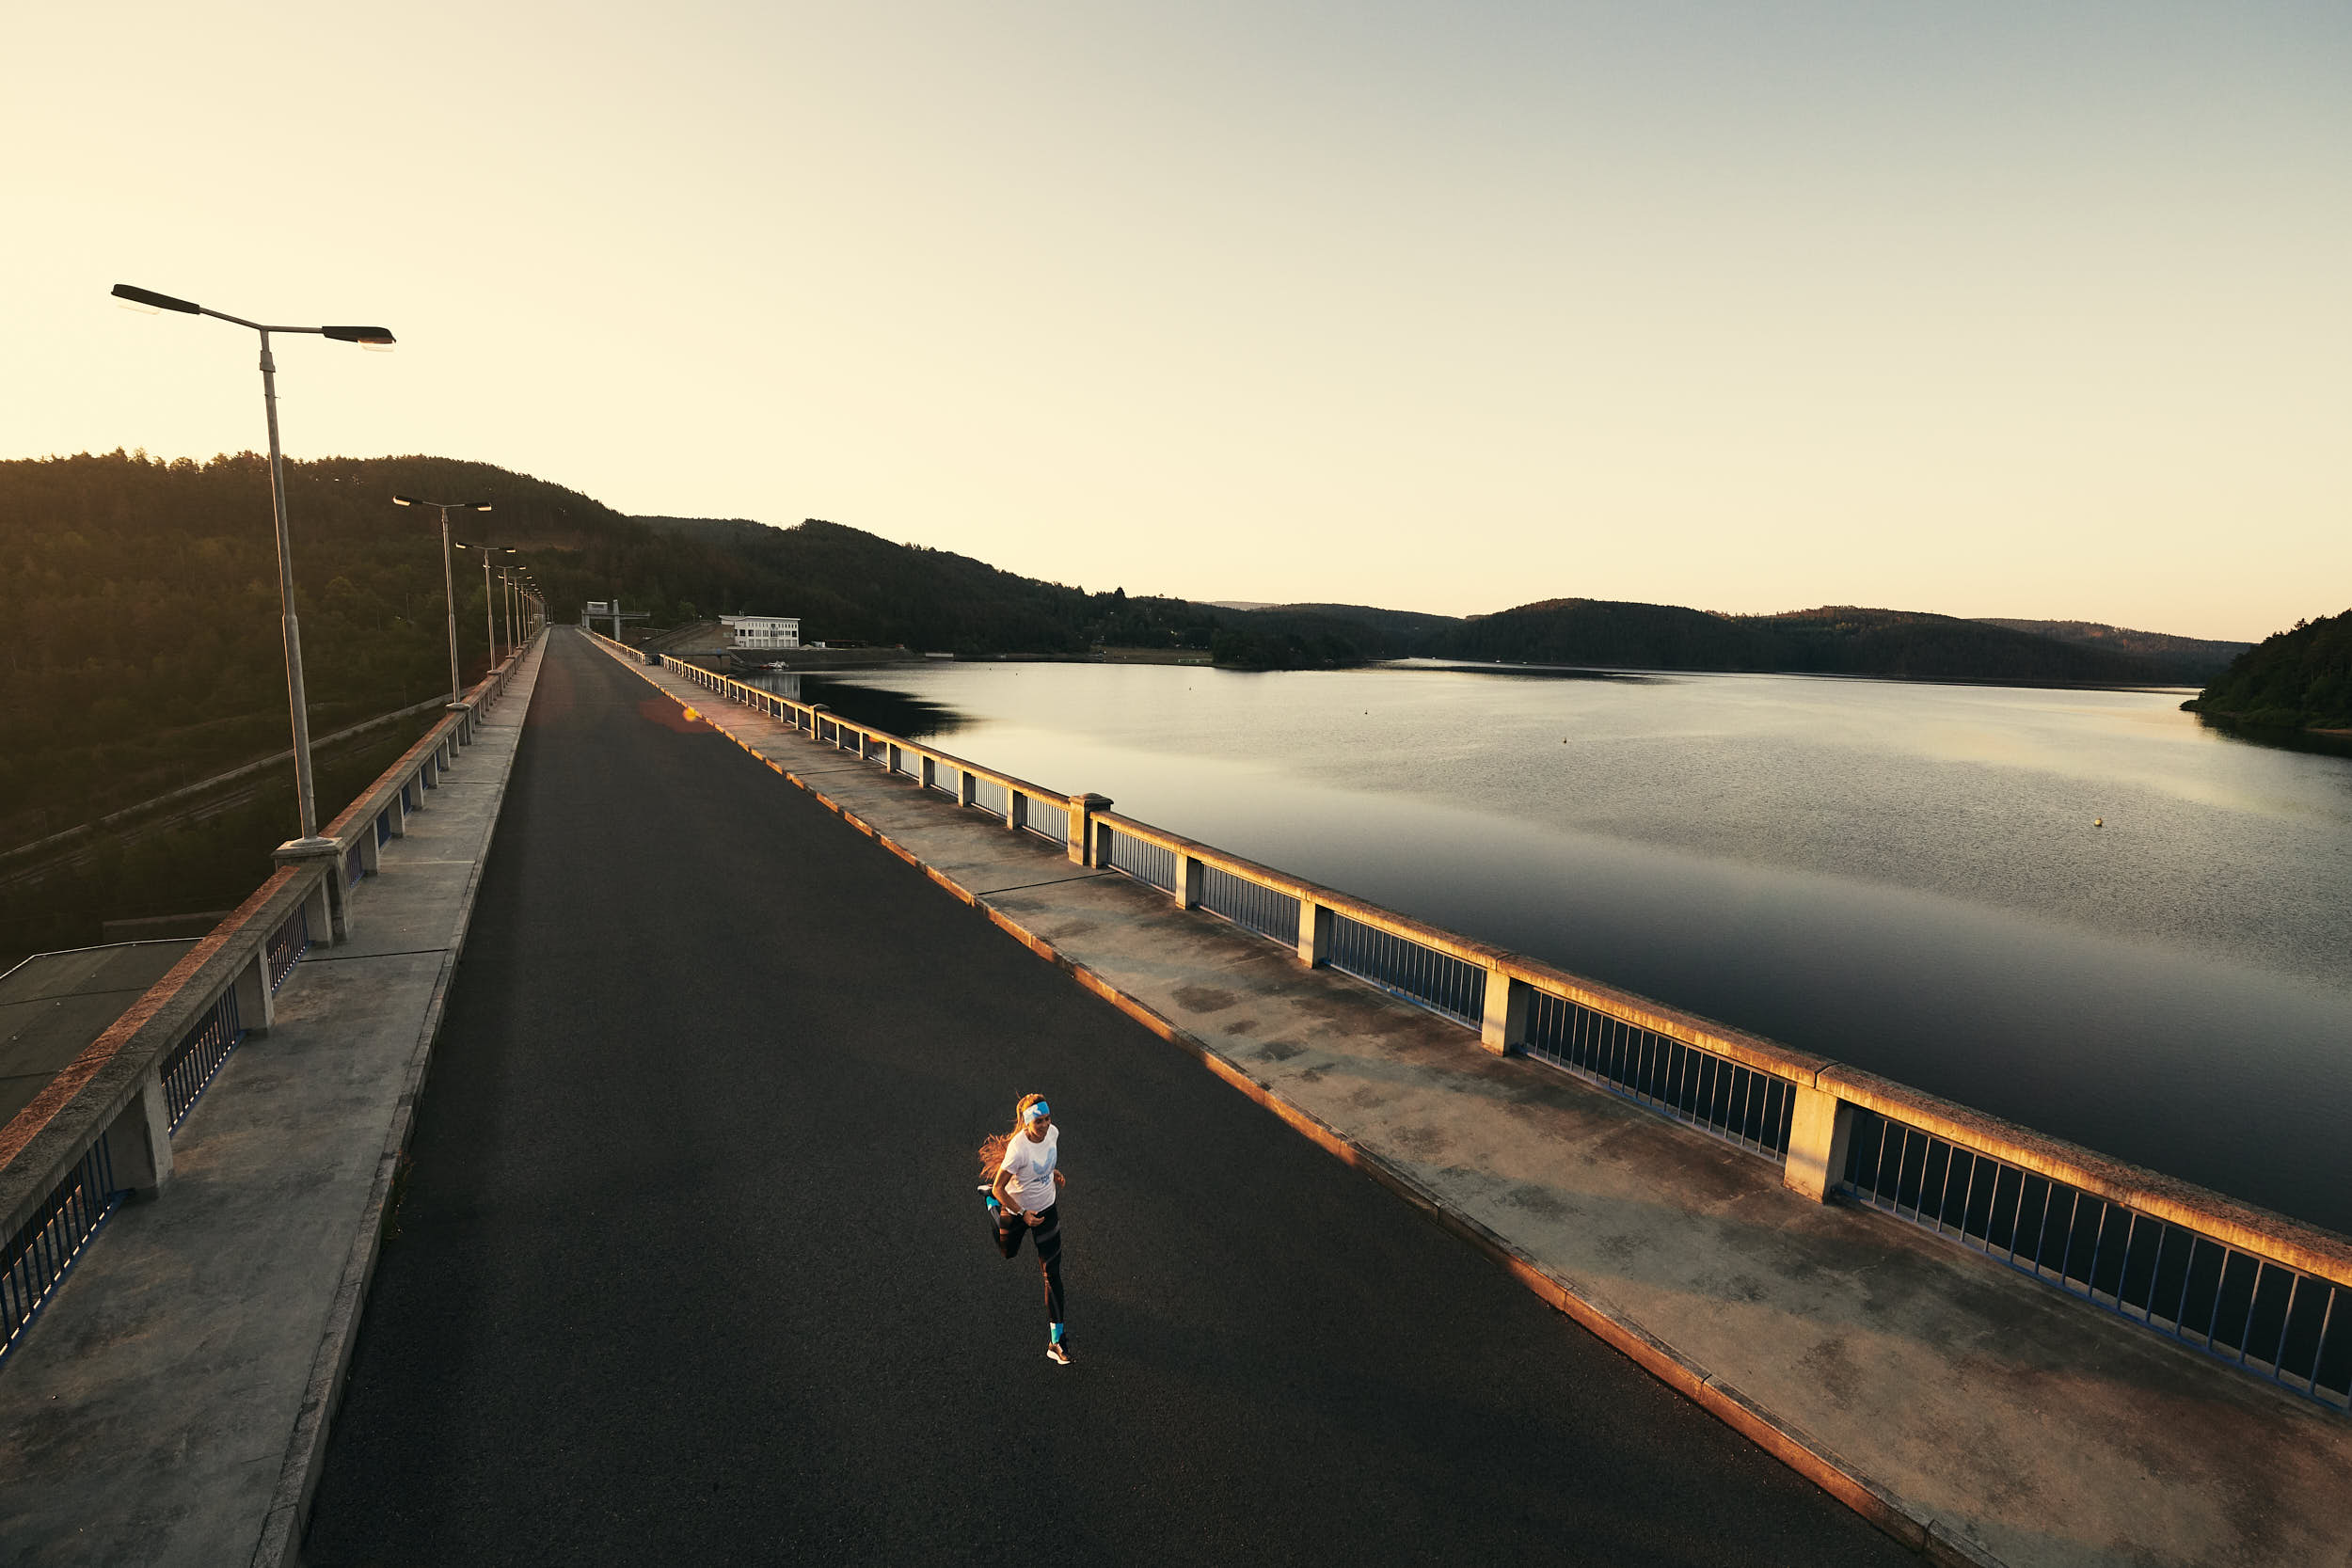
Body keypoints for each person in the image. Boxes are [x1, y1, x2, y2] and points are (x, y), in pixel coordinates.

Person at [978, 1094, 1069, 1365]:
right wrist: (1021, 1213)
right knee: (1007, 1253)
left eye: (1047, 1118)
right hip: (1016, 1210)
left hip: (1047, 1210)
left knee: (1052, 1274)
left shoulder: (1053, 1133)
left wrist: (1053, 1173)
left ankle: (1057, 1342)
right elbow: (999, 1186)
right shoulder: (1018, 1149)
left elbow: (1044, 1161)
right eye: (1038, 1121)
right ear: (1028, 1122)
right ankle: (990, 1206)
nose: (1044, 1125)